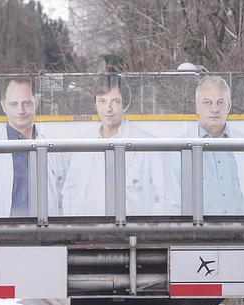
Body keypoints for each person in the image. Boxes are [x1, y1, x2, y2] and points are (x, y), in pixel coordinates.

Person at [59, 74, 174, 216]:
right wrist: (75, 229)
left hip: (133, 234)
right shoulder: (82, 142)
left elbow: (169, 200)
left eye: (115, 102)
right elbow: (70, 192)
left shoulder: (149, 145)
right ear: (95, 104)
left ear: (125, 105)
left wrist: (146, 232)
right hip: (87, 232)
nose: (108, 109)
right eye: (102, 101)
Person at [0, 76, 67, 217]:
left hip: (46, 234)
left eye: (26, 103)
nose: (21, 111)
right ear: (3, 106)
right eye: (14, 104)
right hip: (7, 235)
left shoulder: (53, 148)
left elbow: (63, 197)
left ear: (35, 103)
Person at [182, 76, 244, 215]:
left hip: (242, 232)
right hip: (197, 232)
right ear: (197, 107)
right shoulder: (179, 149)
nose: (214, 109)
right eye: (207, 102)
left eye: (220, 102)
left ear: (228, 106)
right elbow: (173, 202)